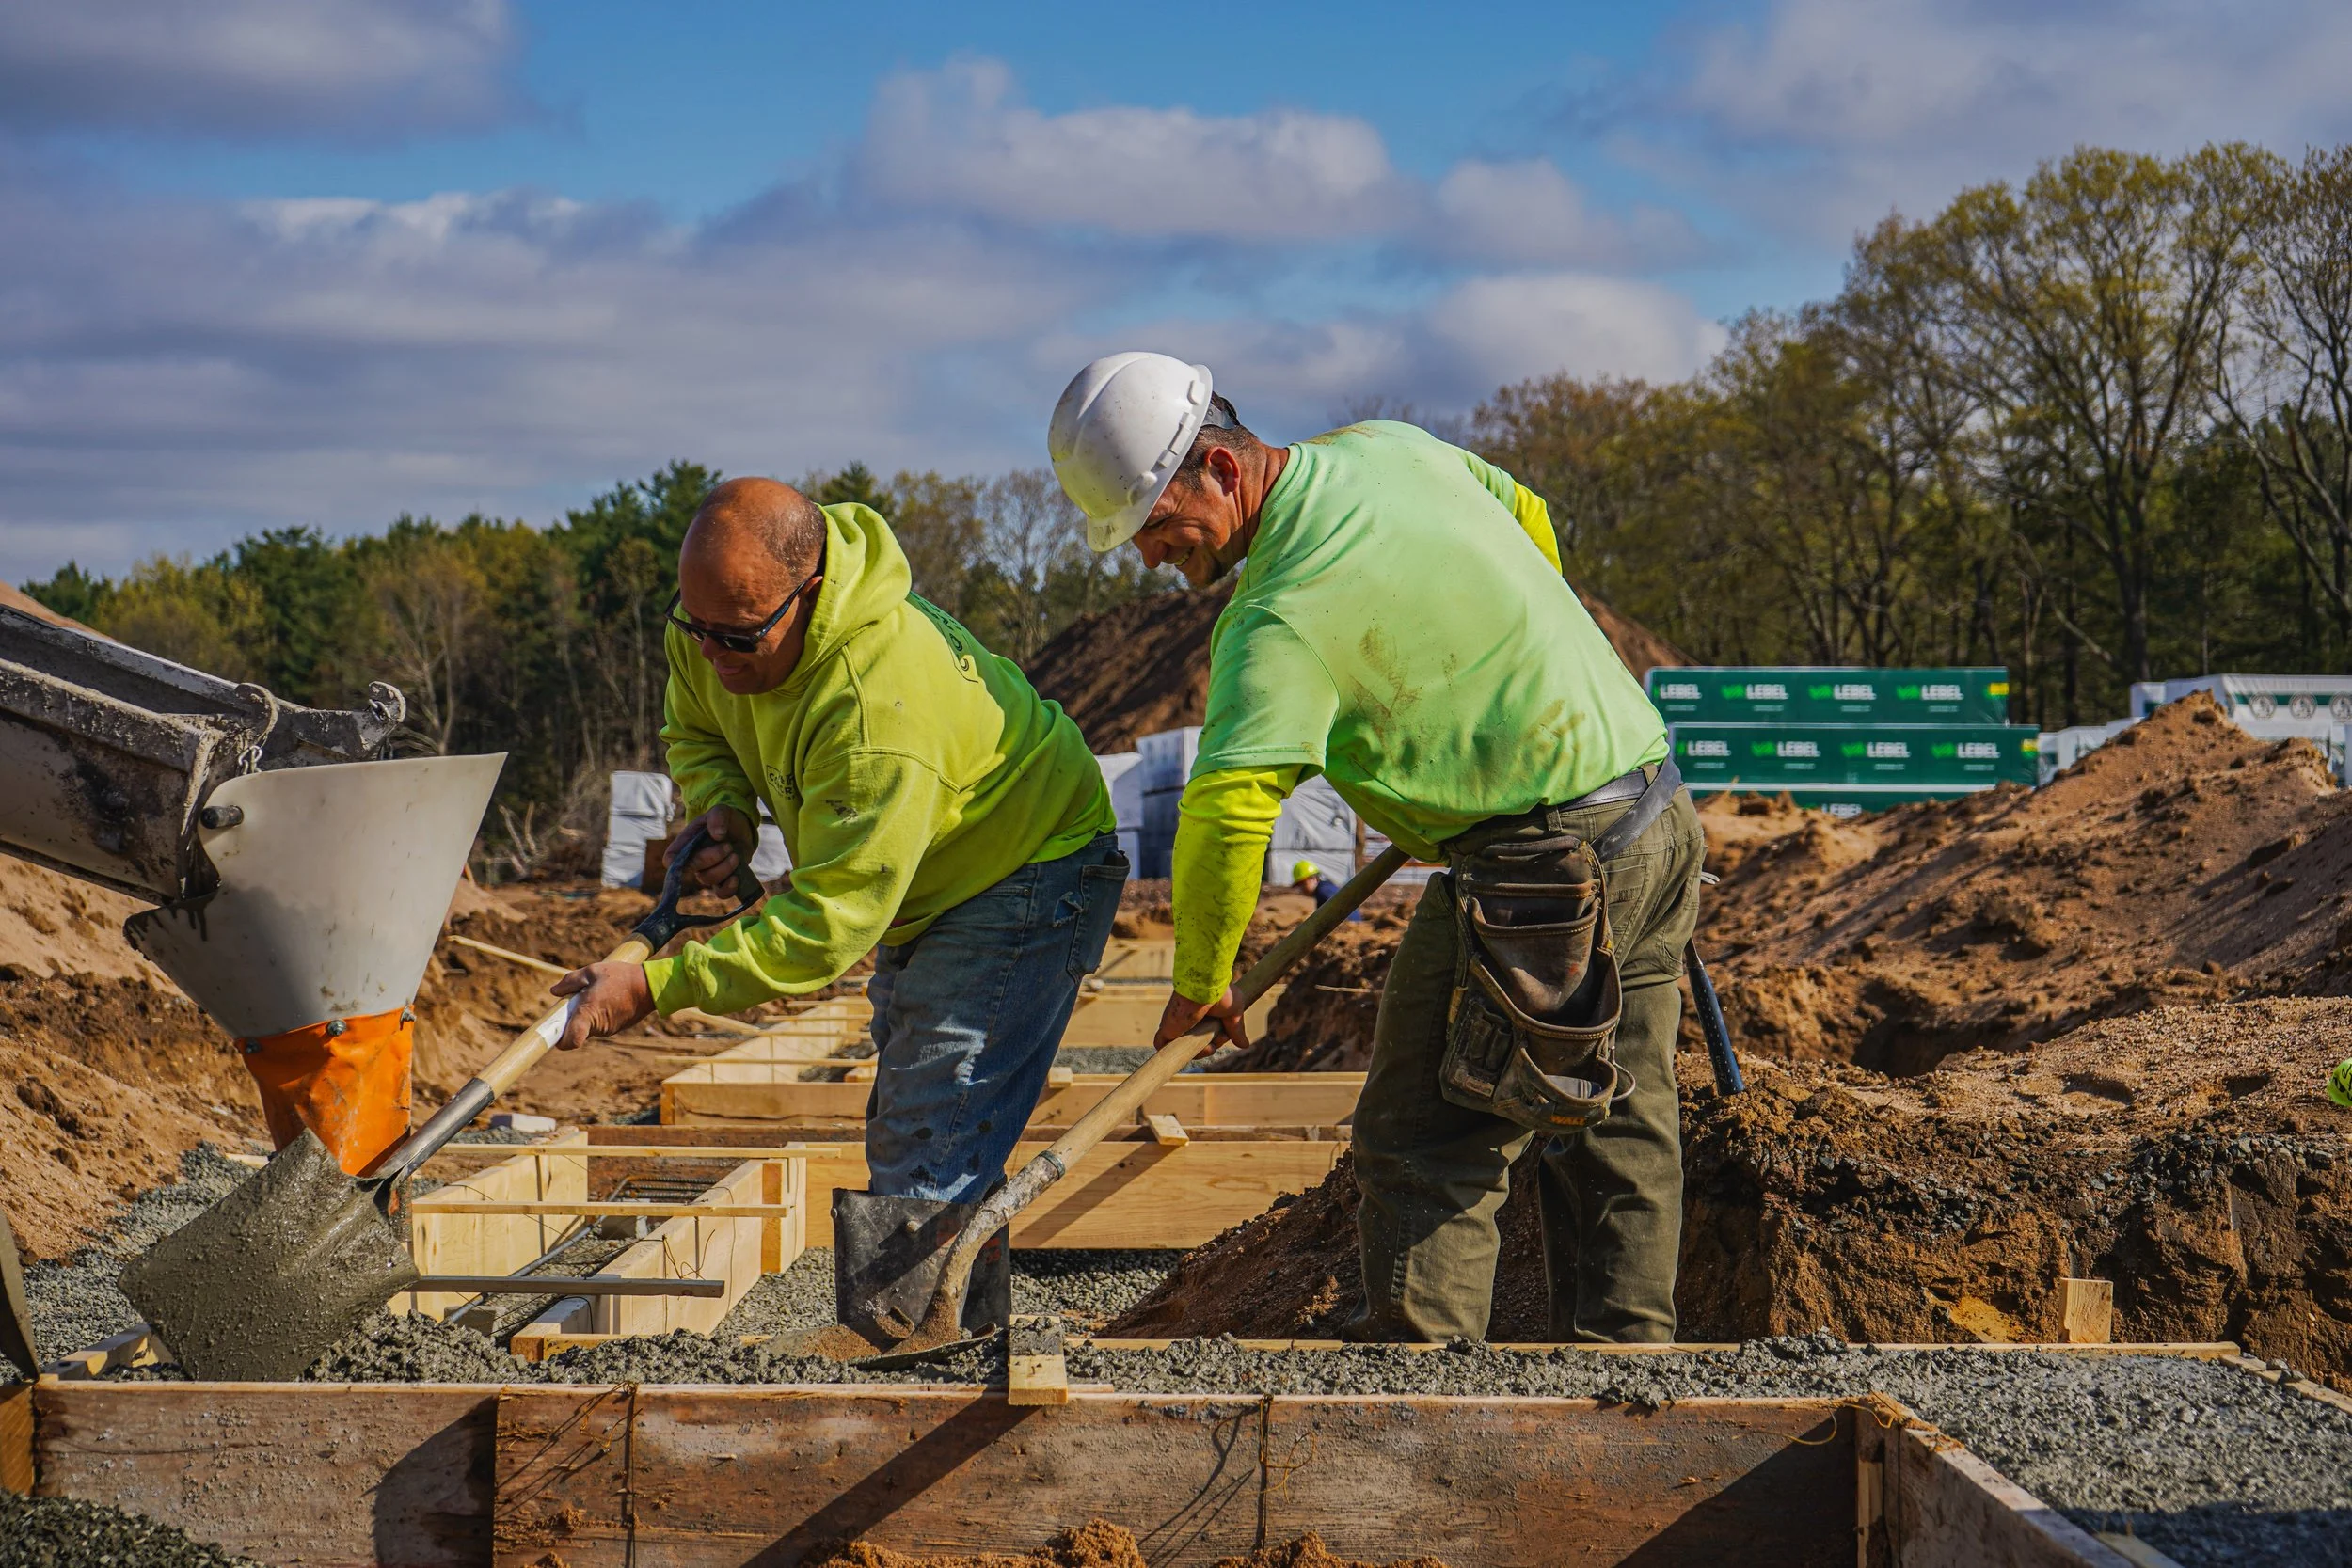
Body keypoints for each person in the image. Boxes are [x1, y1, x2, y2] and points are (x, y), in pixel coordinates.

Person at [1047, 353, 1702, 1343]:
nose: (1147, 557)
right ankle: (1630, 1368)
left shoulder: (1274, 616)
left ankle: (1411, 1390)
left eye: (1153, 526)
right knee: (1616, 1111)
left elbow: (1228, 807)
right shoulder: (1387, 451)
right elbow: (1526, 518)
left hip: (1542, 868)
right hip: (1651, 809)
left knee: (1424, 1132)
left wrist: (1203, 979)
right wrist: (1510, 673)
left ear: (1221, 472)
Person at [549, 478, 1125, 1202]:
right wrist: (725, 806)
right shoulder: (715, 617)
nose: (711, 654)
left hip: (1029, 862)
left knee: (930, 1140)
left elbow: (826, 926)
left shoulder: (874, 717)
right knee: (924, 1105)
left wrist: (657, 986)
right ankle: (954, 1317)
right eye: (695, 628)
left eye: (737, 638)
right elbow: (695, 726)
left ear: (810, 591)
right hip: (932, 868)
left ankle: (911, 1320)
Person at [1291, 858, 1362, 921]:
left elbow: (1340, 912)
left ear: (1313, 878)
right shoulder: (1325, 889)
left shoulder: (1324, 892)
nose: (1301, 889)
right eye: (1299, 886)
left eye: (1303, 884)